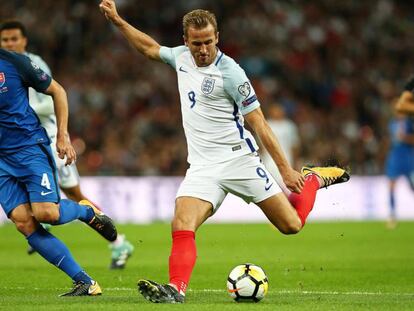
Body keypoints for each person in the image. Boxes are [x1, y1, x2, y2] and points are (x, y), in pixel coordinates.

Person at [99, 1, 350, 303]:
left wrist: (286, 169)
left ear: (217, 37)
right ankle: (175, 290)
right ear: (185, 42)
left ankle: (312, 179)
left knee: (292, 225)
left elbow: (259, 124)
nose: (202, 49)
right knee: (181, 223)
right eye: (196, 43)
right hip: (203, 168)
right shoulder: (180, 58)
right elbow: (149, 48)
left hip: (239, 161)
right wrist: (117, 20)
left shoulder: (232, 73)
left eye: (208, 41)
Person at [0, 20, 134, 269]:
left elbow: (52, 99)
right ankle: (45, 220)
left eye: (14, 39)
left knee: (73, 194)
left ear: (24, 40)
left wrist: (21, 112)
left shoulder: (32, 63)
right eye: (5, 40)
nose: (10, 43)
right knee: (63, 197)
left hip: (47, 137)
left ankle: (117, 241)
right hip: (19, 142)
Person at [384, 81, 414, 229]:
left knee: (412, 186)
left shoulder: (410, 123)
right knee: (391, 185)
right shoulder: (392, 124)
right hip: (395, 157)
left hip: (409, 157)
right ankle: (392, 214)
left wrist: (405, 138)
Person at [261, 103, 300, 191]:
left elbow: (294, 146)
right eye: (275, 110)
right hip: (269, 161)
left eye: (279, 110)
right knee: (270, 188)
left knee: (287, 189)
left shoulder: (289, 126)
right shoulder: (266, 124)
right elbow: (262, 146)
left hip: (287, 160)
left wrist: (295, 163)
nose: (277, 112)